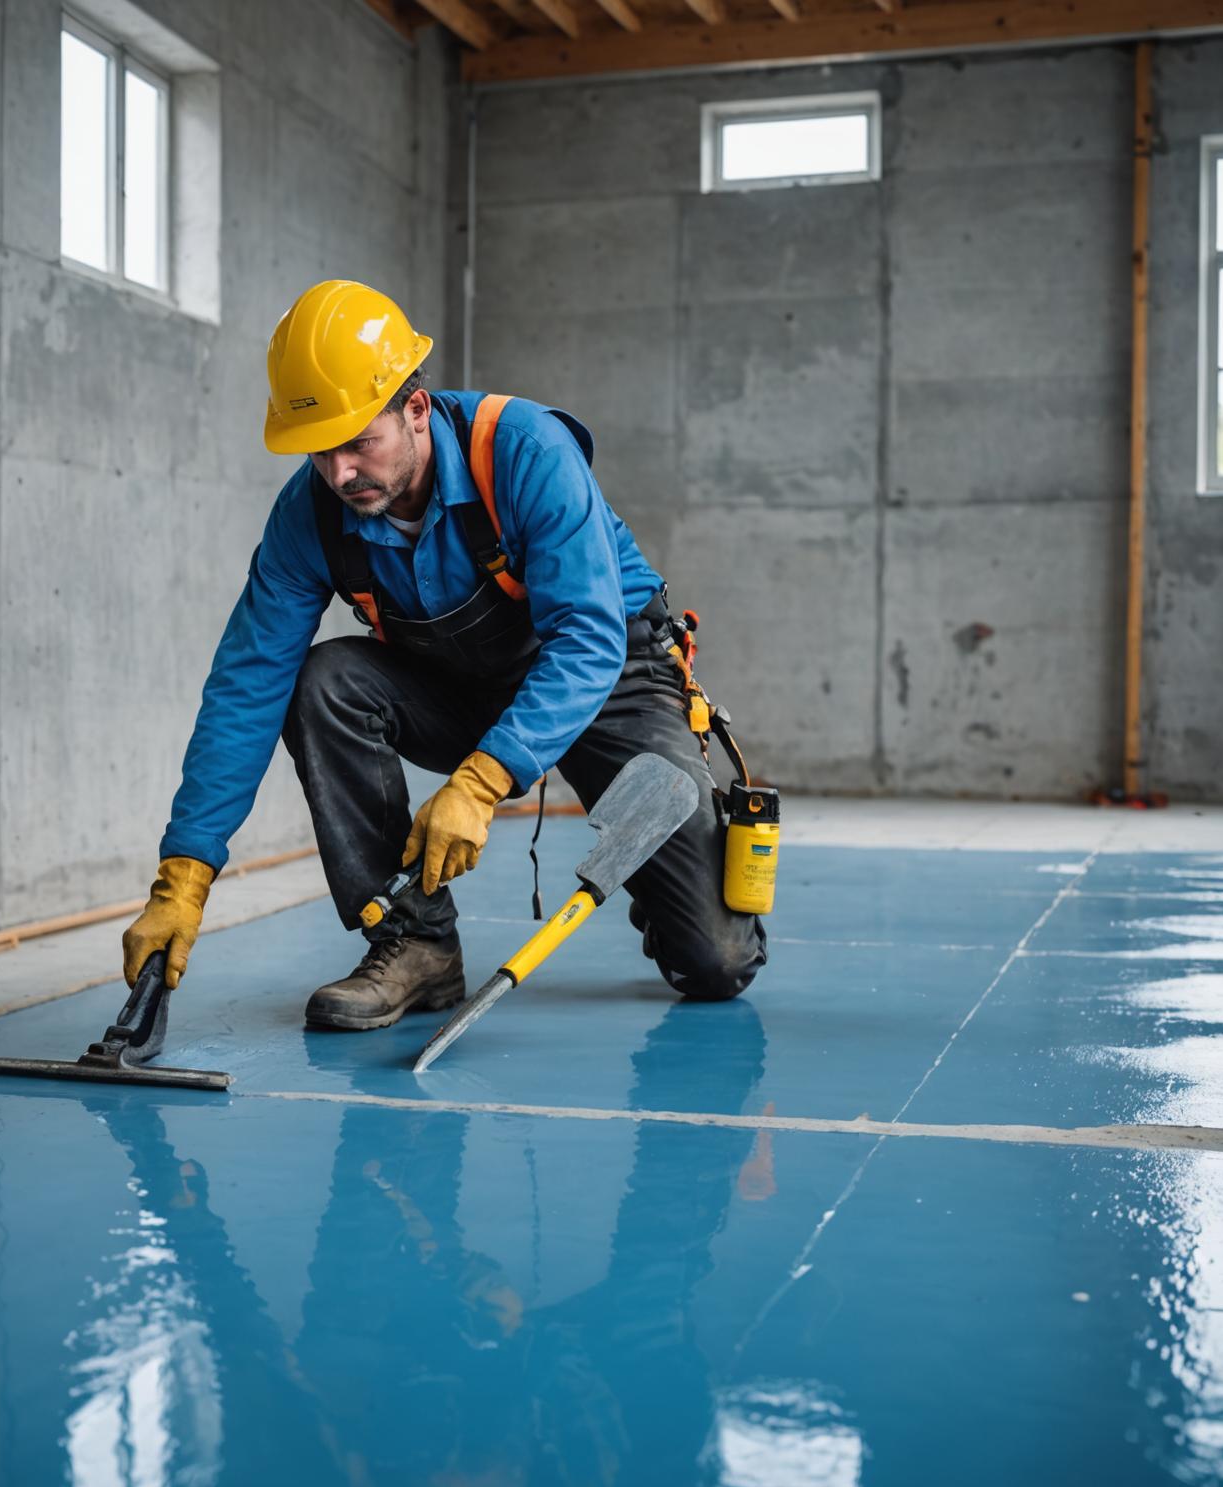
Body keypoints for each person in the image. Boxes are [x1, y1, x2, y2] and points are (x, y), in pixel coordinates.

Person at [122, 279, 766, 1030]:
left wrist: (483, 781)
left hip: (607, 679)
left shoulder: (524, 452)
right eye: (319, 452)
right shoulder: (312, 514)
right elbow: (246, 682)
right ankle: (414, 940)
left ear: (416, 411)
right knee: (322, 682)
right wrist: (185, 872)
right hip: (463, 684)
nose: (340, 474)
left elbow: (587, 640)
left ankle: (673, 888)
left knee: (716, 965)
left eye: (360, 442)